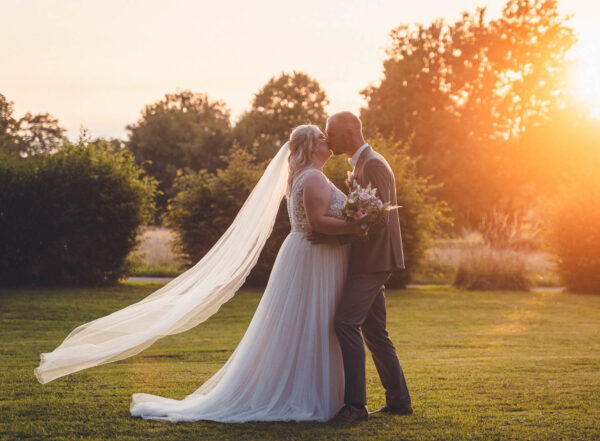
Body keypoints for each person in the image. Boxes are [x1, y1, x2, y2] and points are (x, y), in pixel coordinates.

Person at [37, 124, 365, 422]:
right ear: (309, 146)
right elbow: (318, 222)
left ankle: (308, 390)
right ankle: (304, 396)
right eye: (322, 138)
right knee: (309, 324)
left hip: (309, 258)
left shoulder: (305, 176)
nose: (328, 142)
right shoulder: (312, 177)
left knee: (306, 325)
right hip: (312, 260)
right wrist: (358, 224)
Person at [315, 111, 412, 423]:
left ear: (349, 133)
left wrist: (339, 235)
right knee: (375, 331)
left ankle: (355, 406)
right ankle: (398, 401)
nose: (327, 139)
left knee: (345, 323)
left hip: (373, 259)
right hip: (368, 258)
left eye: (331, 133)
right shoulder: (361, 164)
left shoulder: (373, 164)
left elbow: (378, 217)